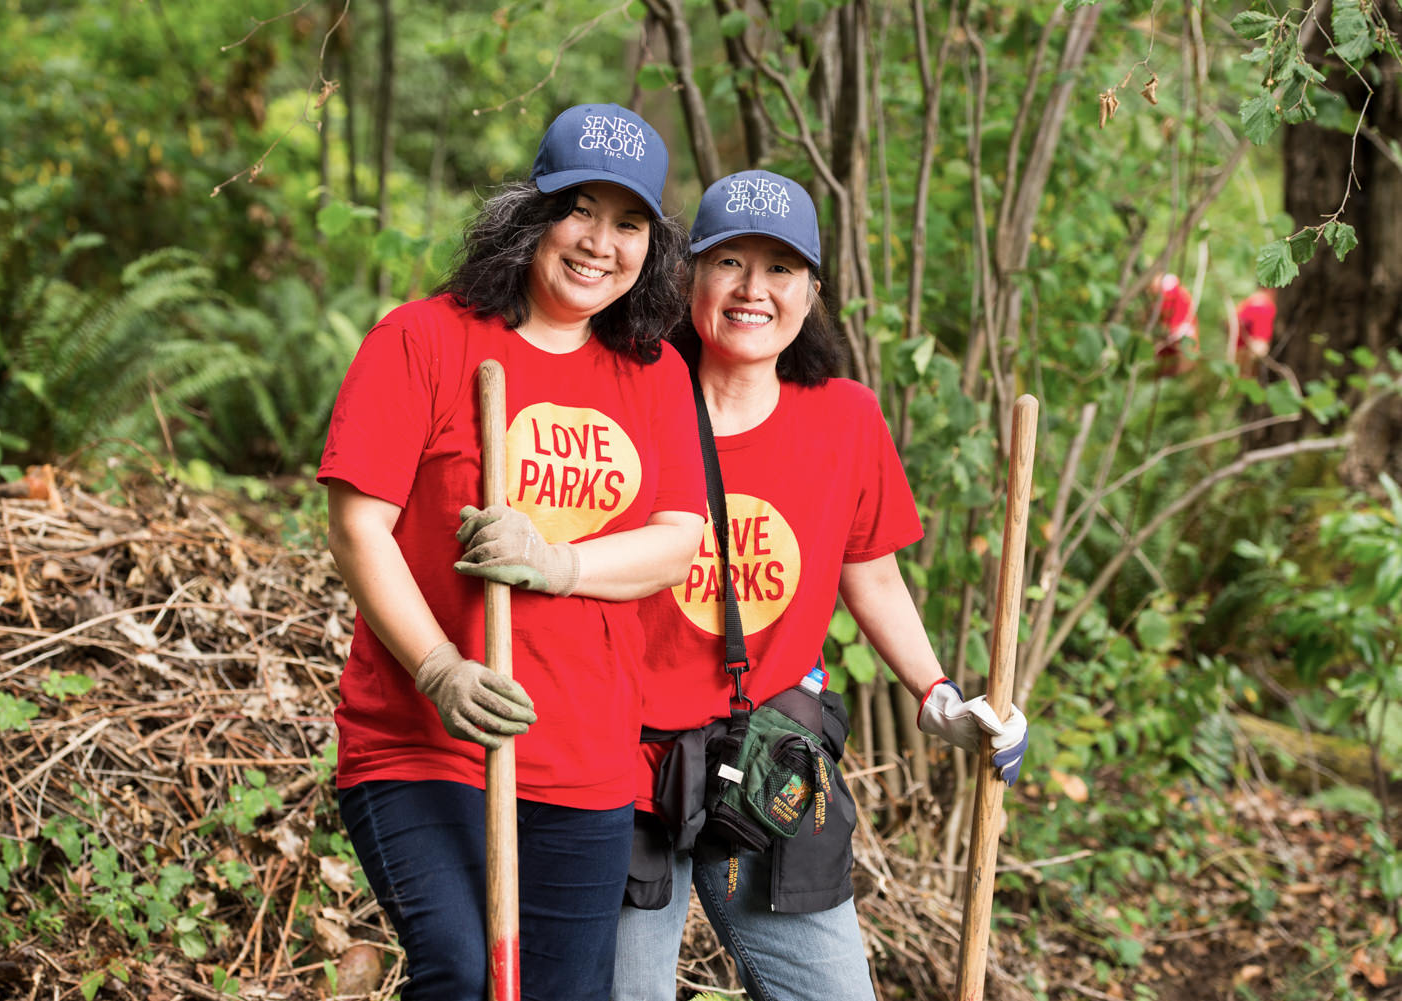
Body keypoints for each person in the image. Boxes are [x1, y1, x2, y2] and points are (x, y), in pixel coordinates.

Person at [318, 103, 707, 1001]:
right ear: (530, 211)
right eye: (580, 208)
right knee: (462, 969)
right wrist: (443, 669)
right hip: (424, 743)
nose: (600, 241)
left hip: (584, 756)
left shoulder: (656, 373)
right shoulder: (424, 338)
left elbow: (676, 544)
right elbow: (358, 526)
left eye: (630, 222)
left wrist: (561, 564)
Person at [611, 170, 1030, 1001]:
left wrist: (939, 694)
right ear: (688, 274)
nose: (752, 290)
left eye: (779, 269)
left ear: (812, 291)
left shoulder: (845, 418)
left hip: (768, 766)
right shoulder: (628, 397)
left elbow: (870, 572)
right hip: (624, 769)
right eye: (728, 261)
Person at [1153, 272, 1198, 378]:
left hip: (1182, 329)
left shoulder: (1175, 295)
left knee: (1183, 353)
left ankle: (1178, 373)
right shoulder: (1168, 296)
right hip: (1175, 330)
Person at [1234, 287, 1276, 378]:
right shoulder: (1264, 307)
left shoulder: (1248, 302)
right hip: (1247, 359)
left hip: (1238, 354)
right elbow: (1259, 346)